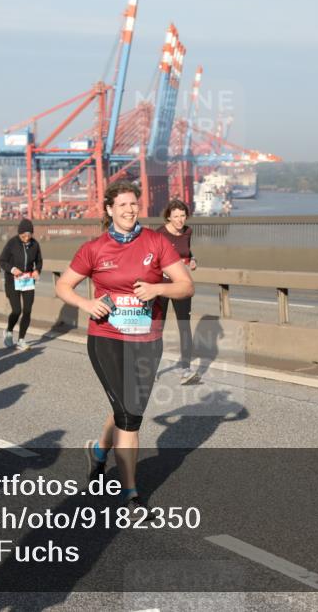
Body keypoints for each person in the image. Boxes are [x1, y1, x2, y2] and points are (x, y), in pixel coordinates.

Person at [55, 181, 193, 510]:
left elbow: (186, 286)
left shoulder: (156, 243)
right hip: (107, 339)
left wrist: (158, 289)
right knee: (130, 416)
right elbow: (63, 285)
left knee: (126, 408)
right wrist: (87, 306)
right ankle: (130, 491)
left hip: (147, 339)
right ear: (109, 210)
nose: (130, 210)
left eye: (133, 204)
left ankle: (99, 451)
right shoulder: (94, 249)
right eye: (122, 205)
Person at [157, 199, 198, 384]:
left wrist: (193, 259)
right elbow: (152, 258)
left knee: (184, 326)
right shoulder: (159, 234)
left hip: (181, 285)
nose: (180, 220)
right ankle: (150, 368)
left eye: (182, 216)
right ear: (168, 217)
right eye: (176, 216)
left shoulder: (188, 231)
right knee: (157, 327)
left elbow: (187, 252)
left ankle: (185, 370)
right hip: (162, 285)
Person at [0, 219, 42, 350]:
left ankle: (21, 340)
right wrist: (12, 269)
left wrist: (37, 270)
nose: (27, 238)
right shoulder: (12, 243)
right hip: (13, 281)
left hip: (28, 281)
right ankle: (9, 330)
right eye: (24, 235)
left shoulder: (35, 245)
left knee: (27, 311)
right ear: (19, 233)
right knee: (16, 310)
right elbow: (1, 261)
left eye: (29, 235)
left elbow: (39, 261)